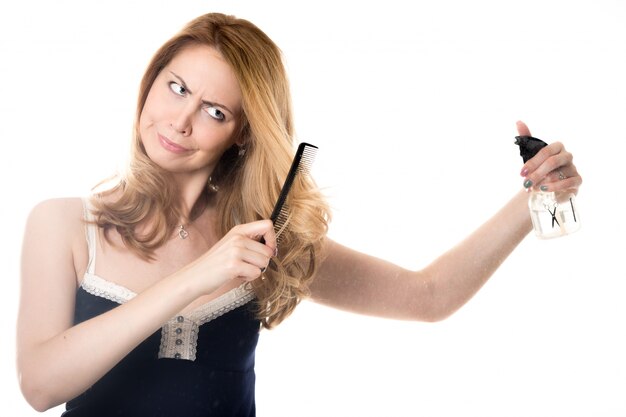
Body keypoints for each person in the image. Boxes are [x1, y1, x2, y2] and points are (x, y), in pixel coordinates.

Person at [16, 12, 582, 417]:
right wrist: (197, 277)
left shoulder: (262, 241)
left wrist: (533, 203)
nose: (180, 121)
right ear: (150, 85)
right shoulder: (65, 226)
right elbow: (39, 387)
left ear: (241, 134)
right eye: (176, 87)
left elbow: (427, 296)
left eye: (214, 110)